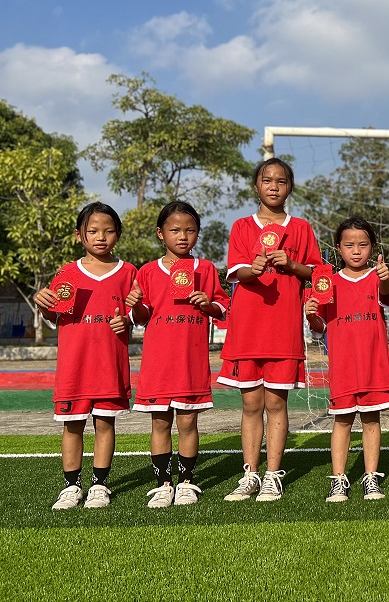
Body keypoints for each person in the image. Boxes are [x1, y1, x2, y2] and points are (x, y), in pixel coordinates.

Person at [218, 158, 322, 502]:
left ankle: (272, 475)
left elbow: (317, 273)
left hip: (283, 329)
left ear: (289, 187)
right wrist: (255, 268)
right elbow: (236, 273)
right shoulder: (241, 227)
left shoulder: (301, 228)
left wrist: (291, 264)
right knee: (251, 404)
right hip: (247, 328)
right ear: (256, 186)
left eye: (281, 181)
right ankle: (249, 473)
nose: (274, 186)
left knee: (276, 403)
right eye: (267, 180)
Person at [34, 203, 136, 510]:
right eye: (92, 231)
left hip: (109, 364)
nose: (100, 237)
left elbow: (136, 315)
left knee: (105, 423)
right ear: (79, 235)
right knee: (72, 425)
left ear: (118, 234)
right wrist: (43, 303)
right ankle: (71, 486)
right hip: (74, 365)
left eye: (108, 231)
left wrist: (127, 321)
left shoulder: (128, 272)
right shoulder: (66, 273)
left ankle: (99, 485)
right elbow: (54, 315)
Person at [126, 201, 228, 508]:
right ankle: (163, 485)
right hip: (158, 361)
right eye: (174, 230)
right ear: (160, 233)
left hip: (190, 360)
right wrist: (135, 303)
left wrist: (207, 303)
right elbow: (141, 318)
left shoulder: (205, 269)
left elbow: (222, 307)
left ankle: (186, 482)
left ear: (197, 233)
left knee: (187, 422)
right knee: (160, 423)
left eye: (190, 230)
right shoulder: (147, 271)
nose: (182, 236)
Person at [305, 217, 389, 502]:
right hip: (343, 367)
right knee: (342, 421)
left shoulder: (378, 278)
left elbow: (386, 298)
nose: (356, 251)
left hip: (373, 366)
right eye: (349, 245)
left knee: (371, 420)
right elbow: (321, 328)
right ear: (338, 248)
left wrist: (385, 279)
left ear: (372, 247)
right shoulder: (328, 283)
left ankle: (371, 477)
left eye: (363, 245)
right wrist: (311, 314)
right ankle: (339, 479)